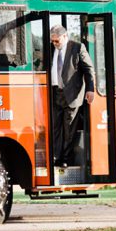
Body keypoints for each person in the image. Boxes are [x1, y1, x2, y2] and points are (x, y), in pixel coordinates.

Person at [47, 25, 96, 170]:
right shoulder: (50, 49)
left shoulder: (77, 47)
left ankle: (65, 159)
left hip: (72, 94)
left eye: (57, 41)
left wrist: (90, 89)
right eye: (53, 41)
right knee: (56, 127)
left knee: (68, 129)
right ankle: (56, 157)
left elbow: (88, 70)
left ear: (64, 36)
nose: (54, 44)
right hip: (55, 93)